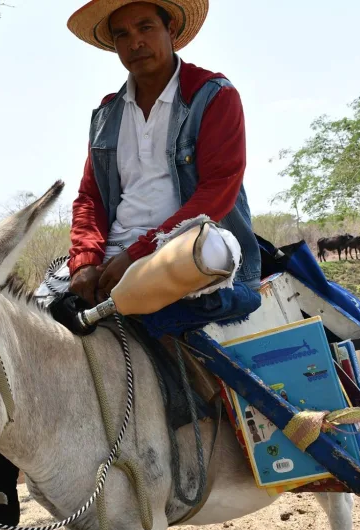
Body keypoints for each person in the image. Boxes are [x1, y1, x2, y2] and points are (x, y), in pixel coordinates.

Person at [63, 0, 261, 307]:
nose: (135, 42)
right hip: (115, 254)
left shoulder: (212, 95)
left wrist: (139, 254)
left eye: (145, 28)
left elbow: (217, 192)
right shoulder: (107, 114)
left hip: (184, 249)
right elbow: (90, 198)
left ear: (170, 30)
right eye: (122, 35)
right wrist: (85, 261)